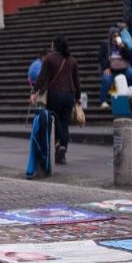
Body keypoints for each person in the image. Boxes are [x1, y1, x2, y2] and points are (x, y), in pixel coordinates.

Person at [31, 35, 81, 165]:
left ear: (56, 45)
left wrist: (34, 92)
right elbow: (77, 81)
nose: (51, 47)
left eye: (52, 44)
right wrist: (78, 98)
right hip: (69, 95)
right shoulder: (72, 60)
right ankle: (62, 151)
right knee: (64, 123)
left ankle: (59, 145)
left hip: (55, 95)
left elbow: (42, 78)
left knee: (55, 119)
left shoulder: (49, 59)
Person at [98, 26, 132, 108]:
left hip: (123, 67)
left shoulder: (123, 44)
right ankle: (103, 100)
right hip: (111, 68)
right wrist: (106, 67)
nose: (116, 37)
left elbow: (130, 57)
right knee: (106, 79)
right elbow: (101, 57)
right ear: (110, 36)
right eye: (114, 35)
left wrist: (124, 48)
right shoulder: (105, 44)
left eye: (118, 35)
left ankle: (129, 95)